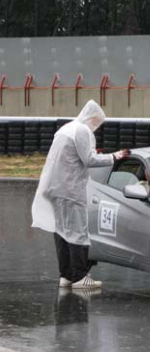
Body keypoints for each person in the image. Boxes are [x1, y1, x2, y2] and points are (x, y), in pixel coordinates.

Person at [31, 100, 129, 289]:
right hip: (70, 189)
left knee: (61, 231)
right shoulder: (82, 130)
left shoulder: (66, 128)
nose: (96, 126)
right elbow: (89, 159)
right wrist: (113, 156)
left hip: (55, 188)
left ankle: (66, 275)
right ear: (92, 117)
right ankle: (79, 277)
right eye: (97, 122)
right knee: (77, 232)